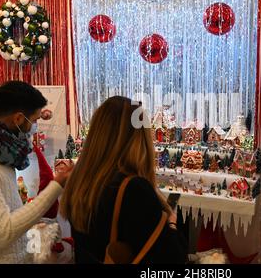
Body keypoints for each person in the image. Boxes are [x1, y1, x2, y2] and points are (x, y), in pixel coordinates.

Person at [60, 96, 187, 264]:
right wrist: (171, 223)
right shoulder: (134, 189)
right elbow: (171, 259)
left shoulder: (79, 180)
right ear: (140, 139)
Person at [0, 81, 72, 263]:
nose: (35, 126)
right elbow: (3, 232)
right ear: (19, 119)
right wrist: (56, 186)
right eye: (35, 121)